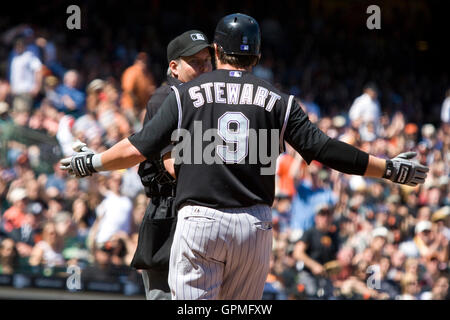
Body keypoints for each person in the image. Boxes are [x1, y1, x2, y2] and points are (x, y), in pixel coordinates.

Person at [60, 13, 429, 300]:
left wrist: (91, 162)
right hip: (254, 227)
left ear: (217, 51)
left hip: (200, 221)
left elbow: (138, 148)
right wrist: (389, 168)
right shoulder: (278, 99)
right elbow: (323, 149)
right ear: (257, 55)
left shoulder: (186, 93)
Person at [131, 30, 212, 300]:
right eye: (195, 62)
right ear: (174, 67)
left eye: (207, 60)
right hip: (169, 217)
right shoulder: (165, 99)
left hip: (195, 212)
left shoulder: (203, 99)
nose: (204, 67)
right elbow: (174, 166)